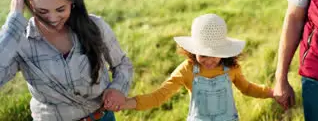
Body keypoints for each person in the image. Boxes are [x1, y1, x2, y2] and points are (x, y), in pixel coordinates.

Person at [0, 0, 133, 121]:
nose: (53, 18)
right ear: (29, 2)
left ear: (73, 1)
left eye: (61, 9)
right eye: (43, 11)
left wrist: (118, 89)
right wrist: (13, 24)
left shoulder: (95, 26)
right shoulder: (19, 40)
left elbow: (122, 64)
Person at [115, 13, 280, 120]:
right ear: (193, 51)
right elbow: (160, 96)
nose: (209, 60)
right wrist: (127, 102)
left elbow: (247, 88)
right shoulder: (187, 70)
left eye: (214, 54)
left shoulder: (232, 68)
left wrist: (272, 93)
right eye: (203, 55)